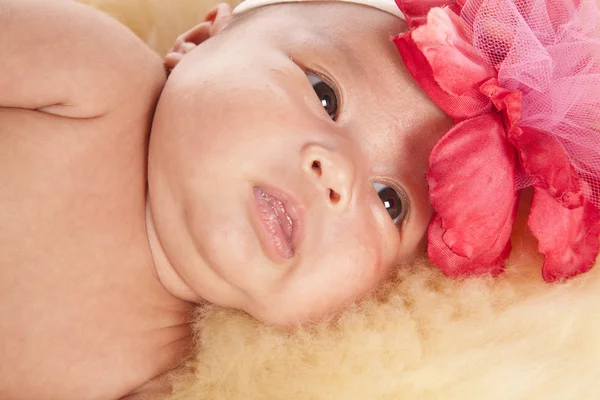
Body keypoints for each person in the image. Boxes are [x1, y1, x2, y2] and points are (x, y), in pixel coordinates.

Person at [1, 0, 598, 398]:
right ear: (202, 38)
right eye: (324, 93)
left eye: (391, 203)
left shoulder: (168, 370)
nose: (337, 176)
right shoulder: (96, 76)